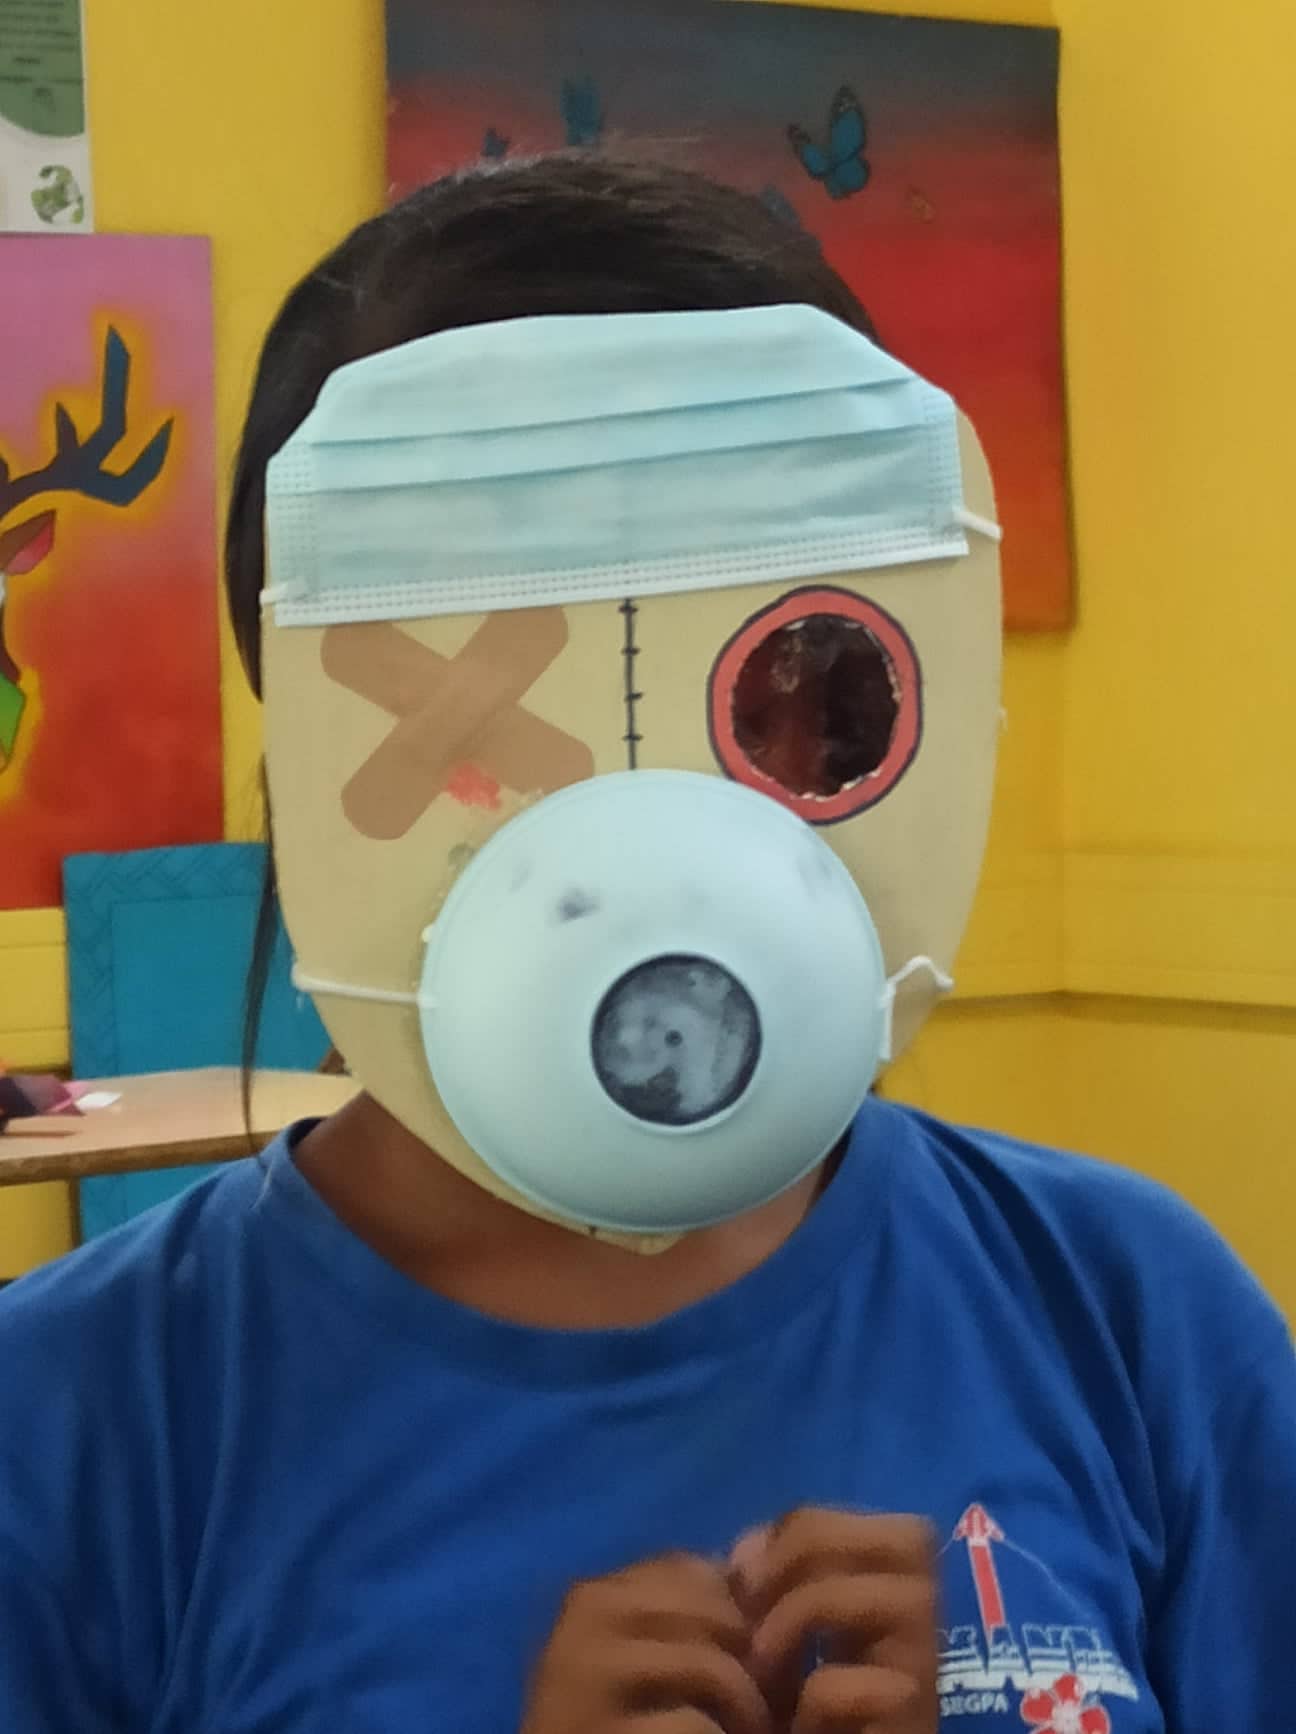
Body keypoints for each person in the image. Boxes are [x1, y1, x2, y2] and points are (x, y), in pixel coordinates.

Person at [0, 156, 1292, 1734]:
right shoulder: (73, 1425)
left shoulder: (1136, 1316)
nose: (653, 838)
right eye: (477, 719)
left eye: (802, 691)